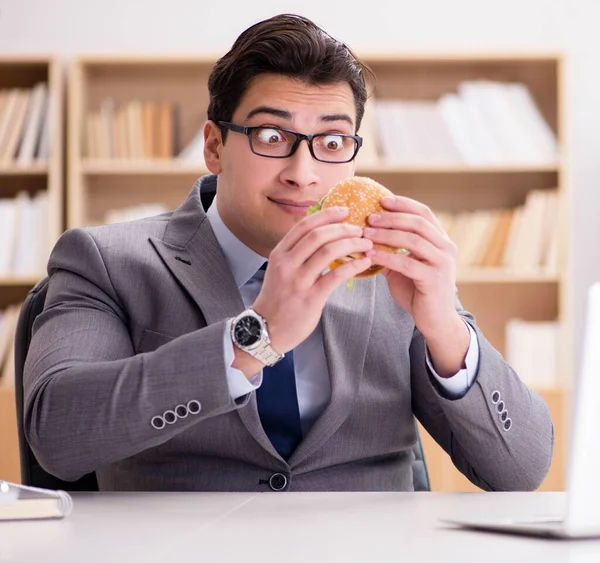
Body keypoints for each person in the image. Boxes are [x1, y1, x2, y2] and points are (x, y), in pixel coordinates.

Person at [23, 13, 553, 492]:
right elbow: (59, 436)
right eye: (272, 135)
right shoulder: (106, 260)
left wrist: (445, 329)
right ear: (214, 146)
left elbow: (522, 471)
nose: (303, 174)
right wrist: (254, 337)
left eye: (331, 142)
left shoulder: (393, 273)